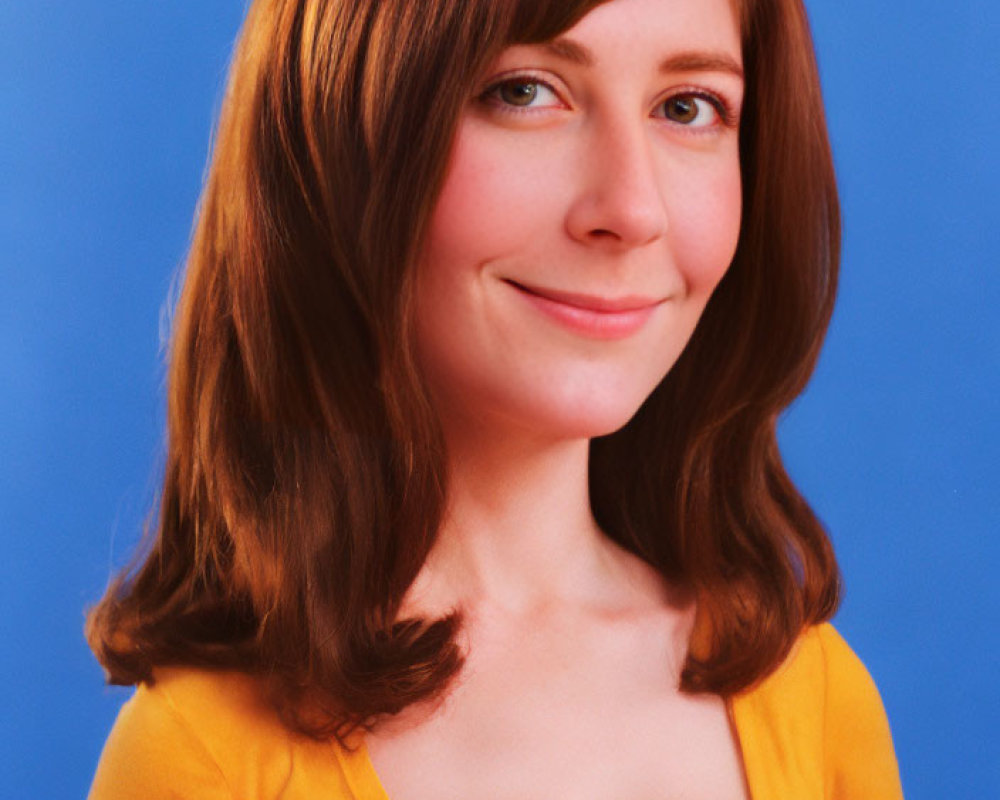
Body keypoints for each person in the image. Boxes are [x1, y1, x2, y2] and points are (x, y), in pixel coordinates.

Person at [87, 0, 904, 797]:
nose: (631, 209)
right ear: (336, 137)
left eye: (688, 107)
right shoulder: (203, 761)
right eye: (523, 91)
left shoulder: (816, 698)